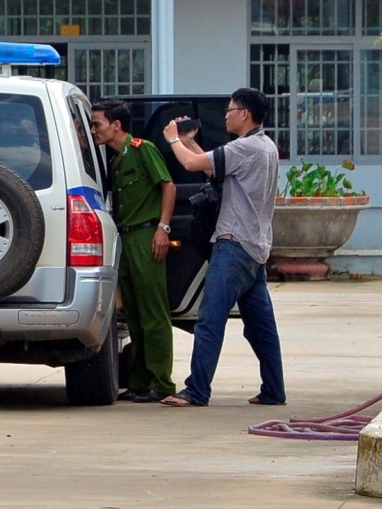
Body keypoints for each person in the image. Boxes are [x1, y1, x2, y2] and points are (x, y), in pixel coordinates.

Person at [159, 88, 286, 407]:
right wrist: (189, 141)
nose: (226, 115)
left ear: (245, 114)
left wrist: (174, 140)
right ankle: (274, 390)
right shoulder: (265, 146)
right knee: (261, 328)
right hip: (255, 248)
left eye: (230, 110)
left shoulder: (244, 147)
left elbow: (190, 164)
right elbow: (209, 166)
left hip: (233, 246)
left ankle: (197, 390)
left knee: (209, 321)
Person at [90, 100, 177, 403]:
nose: (93, 130)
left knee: (154, 313)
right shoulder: (115, 160)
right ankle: (140, 381)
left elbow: (168, 185)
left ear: (116, 124)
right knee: (135, 316)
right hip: (126, 238)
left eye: (97, 123)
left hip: (145, 234)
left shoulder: (142, 150)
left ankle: (161, 382)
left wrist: (162, 228)